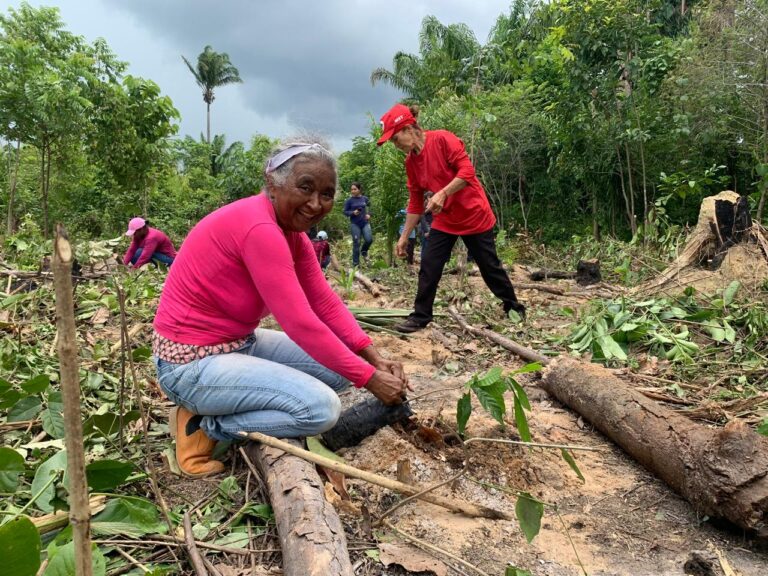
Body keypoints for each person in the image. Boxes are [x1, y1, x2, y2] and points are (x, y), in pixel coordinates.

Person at [151, 138, 411, 477]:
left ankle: (226, 408)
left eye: (327, 194)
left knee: (338, 371)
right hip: (189, 364)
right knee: (321, 410)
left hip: (236, 342)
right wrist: (370, 379)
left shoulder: (292, 232)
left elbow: (324, 302)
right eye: (305, 188)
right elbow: (301, 323)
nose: (316, 203)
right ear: (273, 183)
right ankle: (205, 425)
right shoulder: (260, 229)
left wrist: (373, 357)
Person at [377, 103, 526, 333]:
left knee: (489, 267)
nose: (395, 145)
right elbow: (416, 202)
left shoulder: (443, 139)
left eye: (395, 139)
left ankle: (514, 307)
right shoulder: (411, 163)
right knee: (429, 264)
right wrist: (404, 236)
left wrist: (443, 192)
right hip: (446, 219)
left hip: (473, 214)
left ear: (408, 129)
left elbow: (467, 173)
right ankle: (421, 316)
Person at [343, 182, 373, 267]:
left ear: (359, 189)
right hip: (355, 224)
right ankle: (356, 264)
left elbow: (371, 207)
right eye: (352, 189)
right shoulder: (349, 201)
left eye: (355, 189)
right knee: (356, 242)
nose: (353, 191)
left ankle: (364, 251)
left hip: (365, 223)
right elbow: (345, 212)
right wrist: (353, 212)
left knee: (369, 240)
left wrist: (369, 214)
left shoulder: (365, 199)